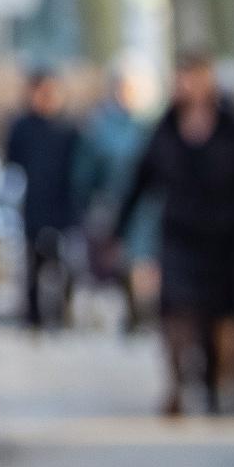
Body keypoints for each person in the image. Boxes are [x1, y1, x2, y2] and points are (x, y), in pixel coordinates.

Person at [117, 53, 234, 416]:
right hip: (179, 238)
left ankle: (225, 385)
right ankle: (176, 386)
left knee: (223, 321)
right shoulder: (166, 130)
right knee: (174, 316)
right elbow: (141, 181)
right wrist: (119, 229)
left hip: (226, 241)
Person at [76, 62, 163, 335]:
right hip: (113, 201)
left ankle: (144, 311)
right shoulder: (101, 128)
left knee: (144, 259)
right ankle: (130, 310)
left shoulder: (148, 127)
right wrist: (90, 199)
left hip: (146, 206)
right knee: (119, 258)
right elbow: (87, 169)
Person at [1, 69, 84, 331]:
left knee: (65, 263)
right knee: (34, 262)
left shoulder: (69, 129)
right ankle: (34, 315)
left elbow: (81, 169)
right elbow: (11, 163)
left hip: (64, 205)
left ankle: (62, 311)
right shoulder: (22, 127)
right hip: (35, 205)